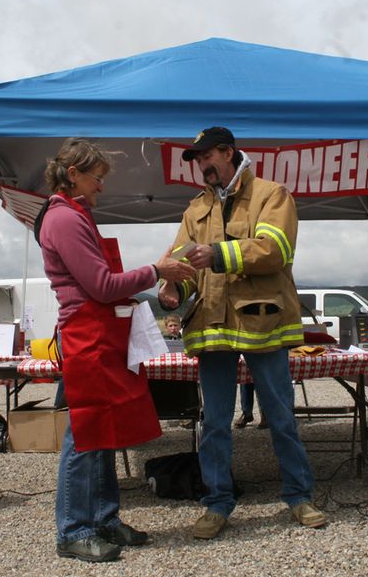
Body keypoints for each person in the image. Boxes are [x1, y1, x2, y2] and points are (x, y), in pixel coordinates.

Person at [159, 126, 325, 539]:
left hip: (263, 323)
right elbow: (184, 264)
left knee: (282, 418)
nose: (201, 166)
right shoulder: (194, 210)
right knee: (215, 423)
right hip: (212, 327)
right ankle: (217, 503)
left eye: (206, 157)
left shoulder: (272, 194)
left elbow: (276, 250)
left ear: (228, 153)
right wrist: (173, 287)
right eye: (196, 160)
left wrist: (216, 254)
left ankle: (299, 496)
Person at [33, 138, 195, 562]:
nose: (100, 187)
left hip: (98, 335)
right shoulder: (64, 220)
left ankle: (104, 518)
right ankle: (73, 529)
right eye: (96, 178)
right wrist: (156, 270)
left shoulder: (75, 216)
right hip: (86, 337)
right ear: (74, 175)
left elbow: (100, 283)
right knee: (85, 434)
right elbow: (101, 285)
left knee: (102, 432)